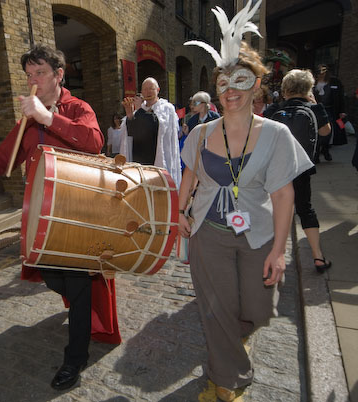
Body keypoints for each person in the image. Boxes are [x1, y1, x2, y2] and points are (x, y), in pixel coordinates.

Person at [0, 44, 121, 391]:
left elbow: (94, 142)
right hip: (41, 210)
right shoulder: (27, 117)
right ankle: (76, 311)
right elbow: (5, 153)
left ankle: (75, 357)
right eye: (29, 74)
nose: (32, 80)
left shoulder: (77, 108)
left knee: (79, 284)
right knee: (54, 275)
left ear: (58, 75)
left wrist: (49, 117)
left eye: (39, 73)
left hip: (78, 211)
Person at [182, 2, 313, 400]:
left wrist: (279, 250)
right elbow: (188, 174)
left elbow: (284, 193)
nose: (231, 90)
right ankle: (227, 383)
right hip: (210, 234)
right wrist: (179, 212)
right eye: (223, 83)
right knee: (216, 311)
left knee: (257, 309)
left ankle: (235, 349)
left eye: (240, 81)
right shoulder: (201, 134)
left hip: (257, 236)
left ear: (257, 84)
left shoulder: (276, 135)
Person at [264, 69, 332, 273]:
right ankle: (318, 257)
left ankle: (271, 254)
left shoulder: (274, 109)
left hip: (276, 170)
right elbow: (326, 132)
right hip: (300, 169)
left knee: (273, 211)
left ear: (286, 89)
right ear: (307, 88)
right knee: (306, 209)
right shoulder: (315, 108)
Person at [120, 78, 182, 188]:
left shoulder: (166, 108)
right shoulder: (139, 110)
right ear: (142, 92)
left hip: (157, 158)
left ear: (158, 90)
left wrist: (140, 111)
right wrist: (130, 115)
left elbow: (156, 126)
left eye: (151, 89)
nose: (148, 92)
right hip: (139, 159)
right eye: (145, 89)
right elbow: (132, 133)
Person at [313, 64, 347, 162]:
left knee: (331, 131)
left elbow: (341, 97)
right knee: (317, 131)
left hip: (331, 110)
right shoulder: (313, 82)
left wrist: (342, 111)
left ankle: (325, 149)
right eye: (319, 72)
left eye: (323, 71)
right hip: (316, 110)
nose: (321, 74)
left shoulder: (335, 82)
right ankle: (317, 153)